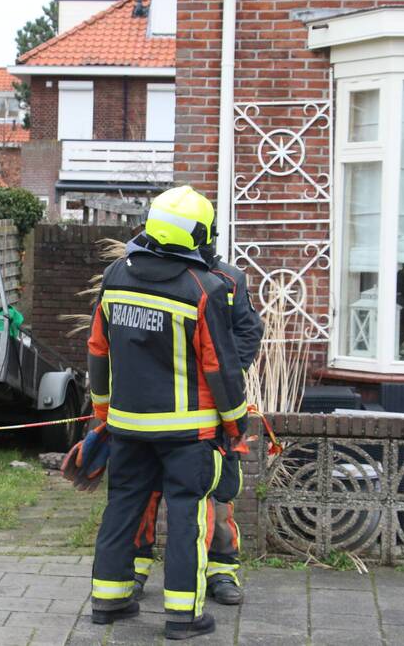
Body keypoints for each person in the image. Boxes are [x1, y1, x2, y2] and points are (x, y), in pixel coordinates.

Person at [87, 185, 248, 640]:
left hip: (127, 425)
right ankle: (183, 615)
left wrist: (102, 410)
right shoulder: (205, 288)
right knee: (186, 516)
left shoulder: (116, 275)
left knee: (122, 507)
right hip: (188, 433)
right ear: (200, 234)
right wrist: (236, 426)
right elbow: (221, 366)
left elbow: (98, 349)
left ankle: (109, 599)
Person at [132, 235, 263, 606]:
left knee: (219, 496)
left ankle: (221, 571)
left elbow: (248, 334)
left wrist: (217, 376)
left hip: (214, 413)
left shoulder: (228, 279)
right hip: (158, 410)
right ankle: (135, 569)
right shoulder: (149, 276)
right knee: (144, 493)